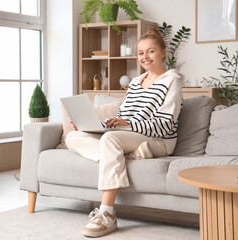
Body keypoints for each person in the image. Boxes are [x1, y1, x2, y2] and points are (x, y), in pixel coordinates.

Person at [66, 29, 183, 238]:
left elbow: (166, 124)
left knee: (111, 139)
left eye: (150, 52)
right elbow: (121, 116)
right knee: (73, 137)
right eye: (140, 53)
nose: (144, 57)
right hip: (128, 135)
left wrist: (127, 124)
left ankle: (107, 213)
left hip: (158, 138)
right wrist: (95, 125)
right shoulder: (135, 83)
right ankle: (121, 155)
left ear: (163, 53)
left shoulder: (172, 80)